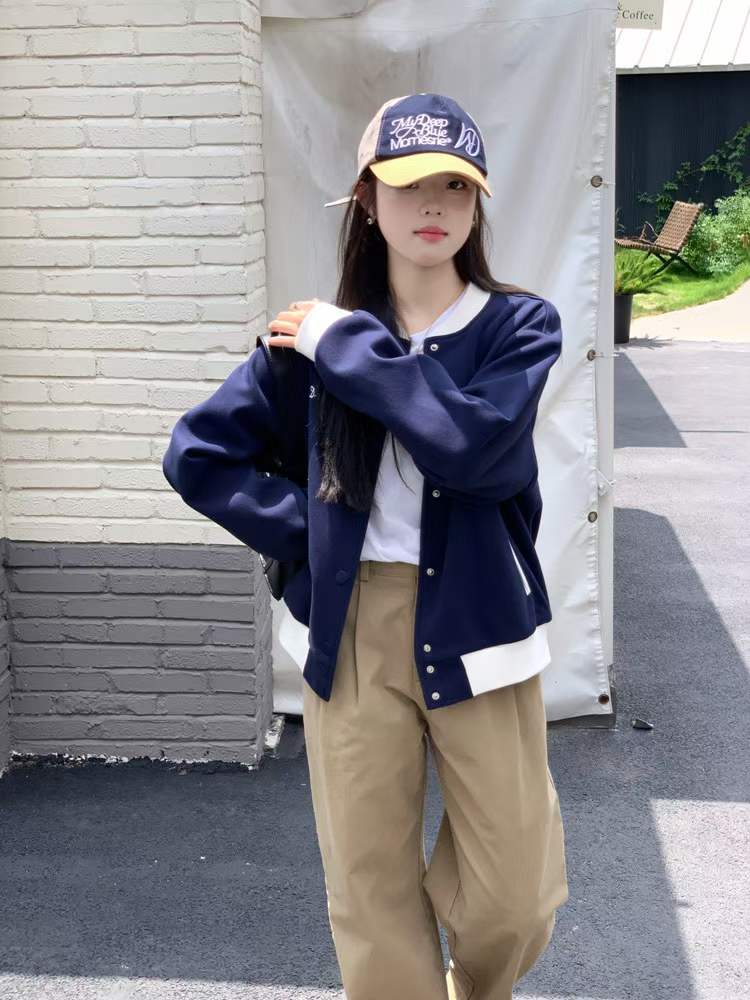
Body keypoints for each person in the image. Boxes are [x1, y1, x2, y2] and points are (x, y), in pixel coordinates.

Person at [163, 92, 569, 1000]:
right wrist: (308, 531)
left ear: (477, 204)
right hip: (350, 630)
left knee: (515, 894)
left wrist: (342, 343)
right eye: (408, 184)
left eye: (455, 187)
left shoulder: (516, 327)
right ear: (366, 199)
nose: (433, 206)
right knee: (369, 885)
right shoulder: (302, 346)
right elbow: (197, 456)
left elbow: (471, 449)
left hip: (478, 621)